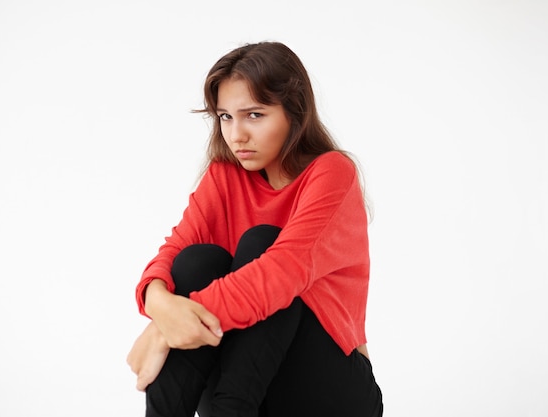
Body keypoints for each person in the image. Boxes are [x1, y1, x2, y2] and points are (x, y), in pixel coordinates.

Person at [127, 41, 383, 417]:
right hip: (247, 385)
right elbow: (172, 253)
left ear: (294, 113)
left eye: (254, 115)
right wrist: (159, 304)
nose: (236, 135)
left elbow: (282, 273)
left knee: (263, 244)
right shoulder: (225, 176)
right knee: (196, 261)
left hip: (329, 393)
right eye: (226, 117)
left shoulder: (331, 173)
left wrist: (165, 329)